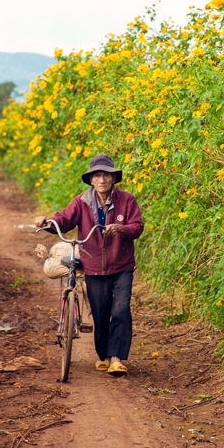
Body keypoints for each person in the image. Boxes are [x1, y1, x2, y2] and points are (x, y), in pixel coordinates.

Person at [34, 153, 144, 376]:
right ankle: (103, 356)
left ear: (113, 178)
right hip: (93, 265)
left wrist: (121, 229)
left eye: (106, 175)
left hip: (121, 265)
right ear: (91, 180)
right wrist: (47, 223)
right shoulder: (81, 202)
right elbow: (63, 220)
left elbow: (138, 227)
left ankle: (116, 358)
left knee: (121, 309)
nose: (102, 180)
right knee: (100, 313)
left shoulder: (127, 200)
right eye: (97, 176)